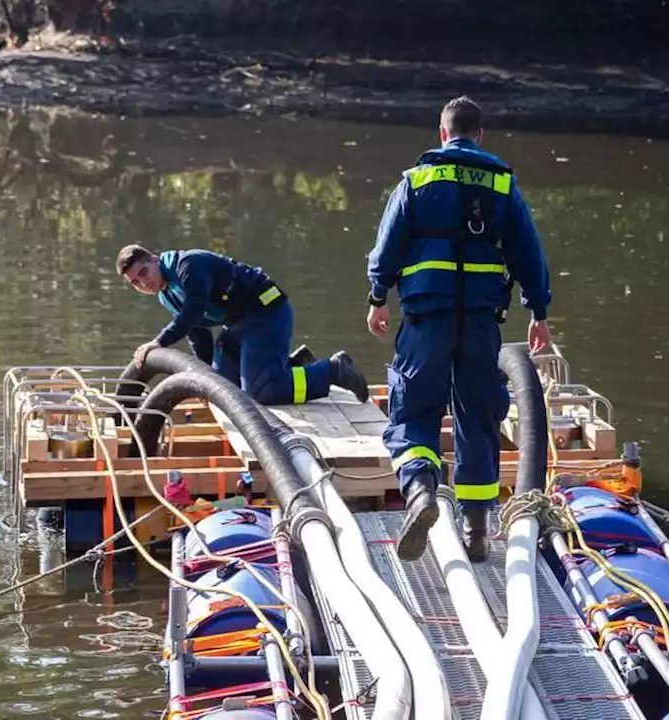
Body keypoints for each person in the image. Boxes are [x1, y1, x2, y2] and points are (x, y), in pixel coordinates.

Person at [365, 96, 553, 563]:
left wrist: (377, 296)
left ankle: (422, 492)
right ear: (480, 135)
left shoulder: (418, 179)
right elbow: (528, 253)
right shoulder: (502, 183)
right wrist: (539, 312)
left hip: (427, 316)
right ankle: (477, 532)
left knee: (413, 411)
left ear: (442, 133)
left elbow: (388, 246)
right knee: (479, 417)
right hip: (481, 320)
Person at [116, 245, 370, 406]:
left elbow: (192, 312)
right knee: (224, 390)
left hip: (265, 314)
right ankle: (294, 364)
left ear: (155, 260)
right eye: (135, 283)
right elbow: (197, 332)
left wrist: (157, 343)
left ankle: (333, 371)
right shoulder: (166, 293)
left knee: (261, 393)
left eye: (144, 273)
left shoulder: (188, 266)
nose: (143, 283)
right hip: (237, 325)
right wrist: (205, 376)